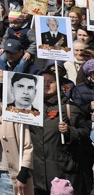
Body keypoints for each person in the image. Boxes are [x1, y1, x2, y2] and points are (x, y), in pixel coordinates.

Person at [30, 65, 89, 195]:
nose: (46, 85)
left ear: (59, 84)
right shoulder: (30, 108)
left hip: (62, 173)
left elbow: (85, 133)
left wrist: (69, 131)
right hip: (37, 175)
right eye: (42, 82)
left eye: (51, 82)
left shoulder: (69, 107)